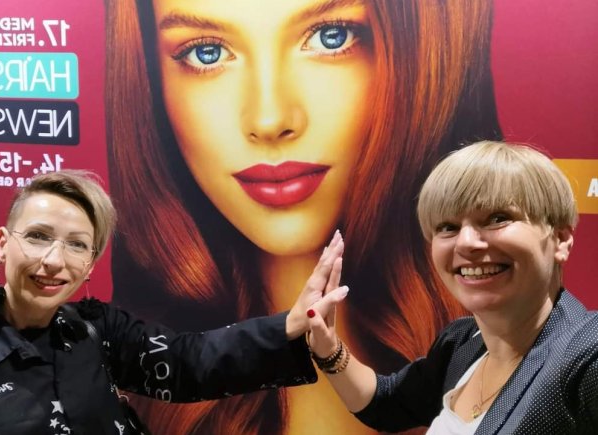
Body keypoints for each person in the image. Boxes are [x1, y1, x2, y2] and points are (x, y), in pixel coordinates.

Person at [105, 1, 501, 433]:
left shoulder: (490, 348)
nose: (270, 120)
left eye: (332, 37)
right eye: (207, 52)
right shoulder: (122, 364)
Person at [0, 169, 349, 434]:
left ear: (90, 265)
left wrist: (290, 324)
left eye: (77, 245)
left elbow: (189, 361)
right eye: (37, 237)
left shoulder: (95, 330)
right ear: (3, 243)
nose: (54, 261)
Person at [306, 141, 597, 434]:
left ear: (561, 239)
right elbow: (387, 403)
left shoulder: (588, 357)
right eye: (448, 227)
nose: (466, 243)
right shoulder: (460, 342)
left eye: (497, 218)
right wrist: (329, 349)